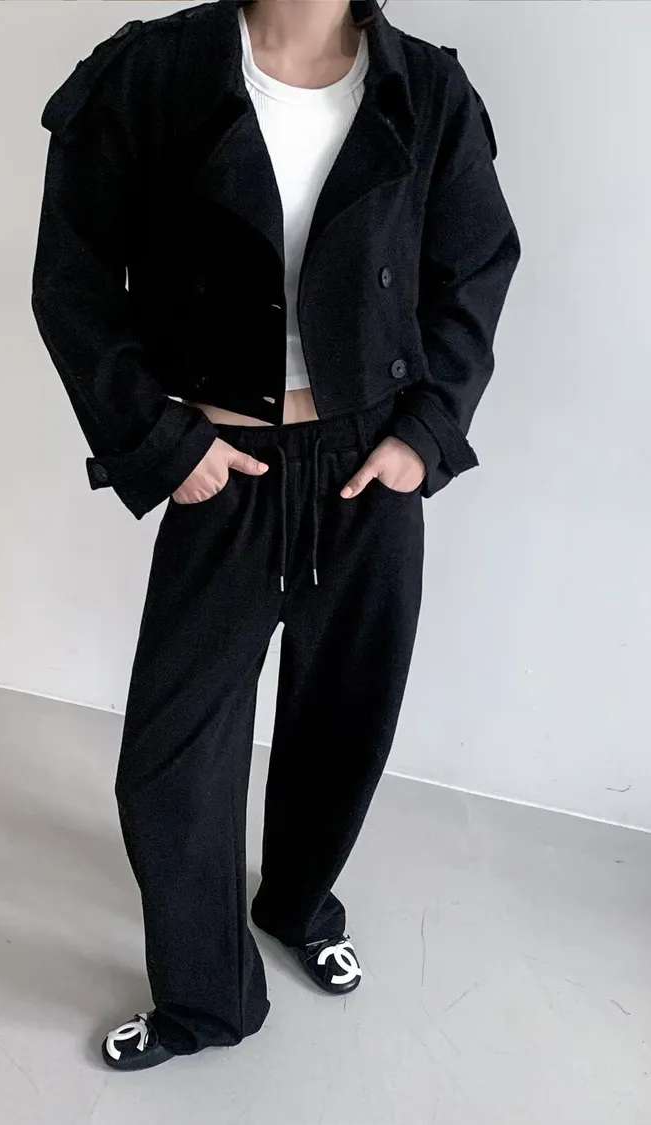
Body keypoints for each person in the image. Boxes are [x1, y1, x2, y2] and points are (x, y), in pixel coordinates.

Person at [32, 0, 519, 1072]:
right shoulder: (154, 72)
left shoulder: (426, 89)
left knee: (346, 714)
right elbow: (71, 277)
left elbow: (476, 269)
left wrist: (425, 436)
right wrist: (162, 441)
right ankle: (206, 999)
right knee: (172, 758)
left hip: (367, 464)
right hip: (224, 465)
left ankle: (298, 902)